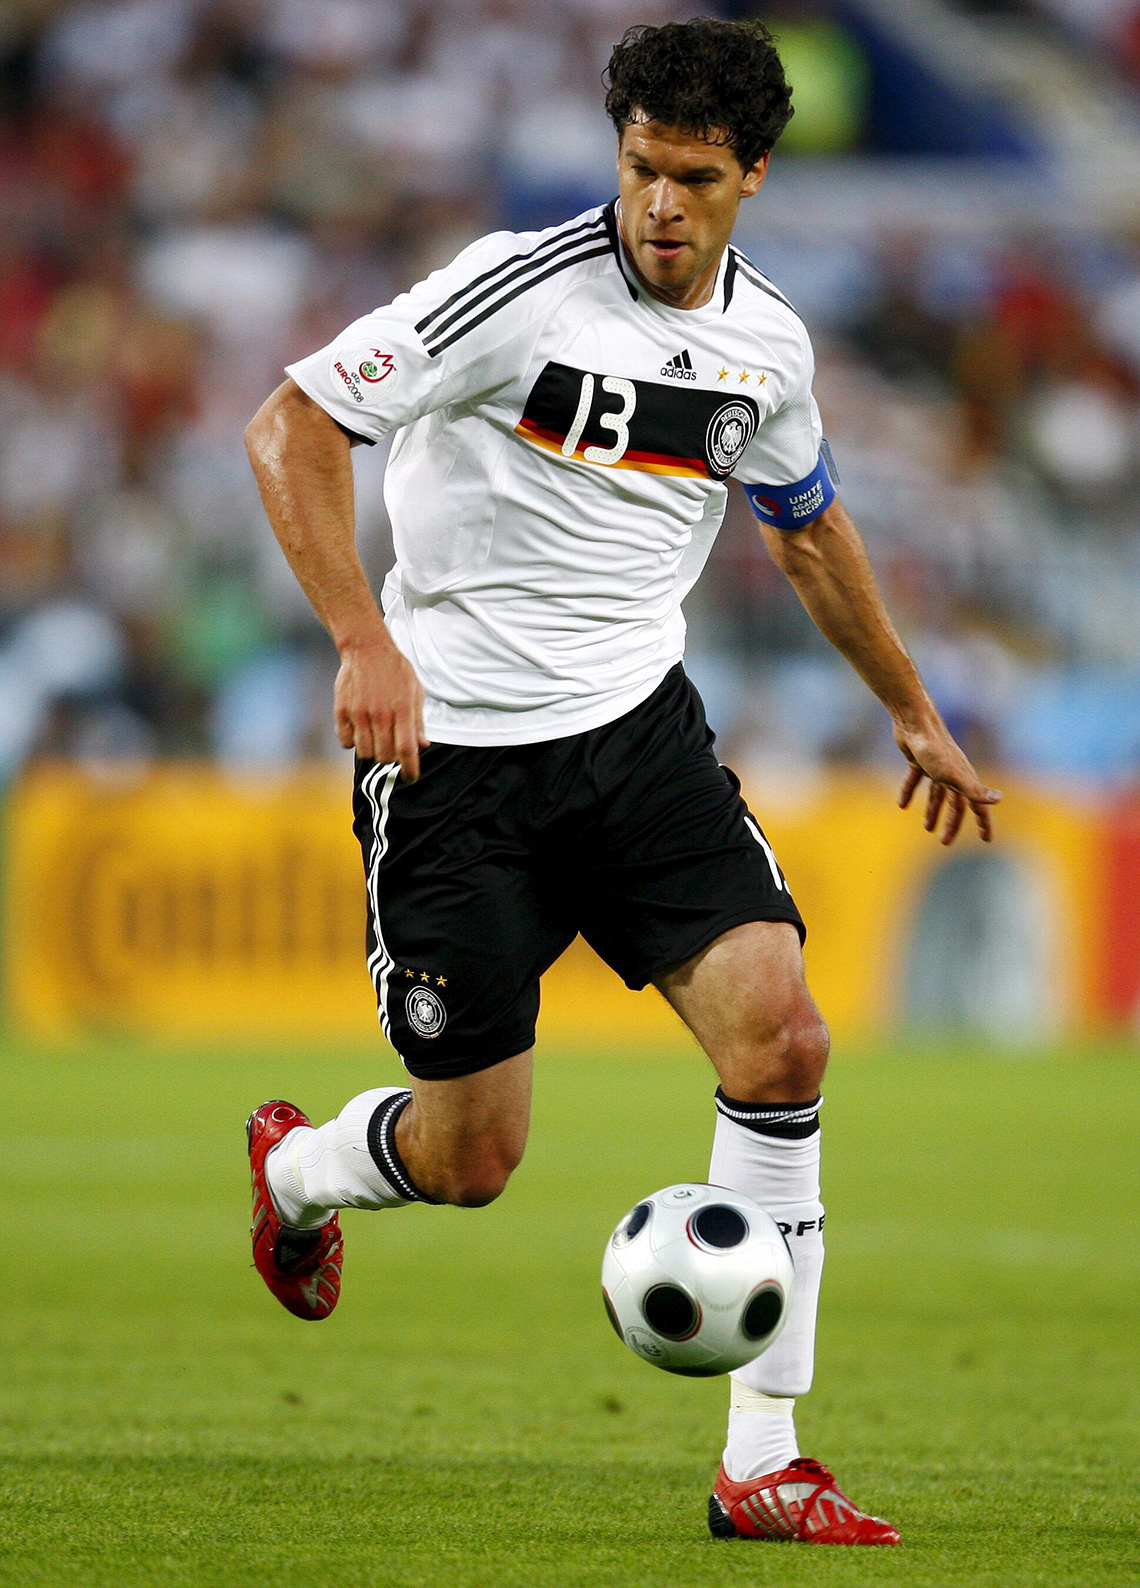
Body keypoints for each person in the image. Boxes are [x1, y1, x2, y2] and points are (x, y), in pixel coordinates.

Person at [244, 17, 999, 1548]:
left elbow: (807, 526)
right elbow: (293, 423)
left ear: (754, 175)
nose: (660, 202)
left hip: (639, 742)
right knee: (472, 1161)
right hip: (453, 761)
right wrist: (363, 639)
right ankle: (303, 1170)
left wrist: (912, 709)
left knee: (784, 1042)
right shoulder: (511, 290)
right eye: (641, 167)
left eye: (695, 177)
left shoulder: (766, 345)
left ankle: (764, 1459)